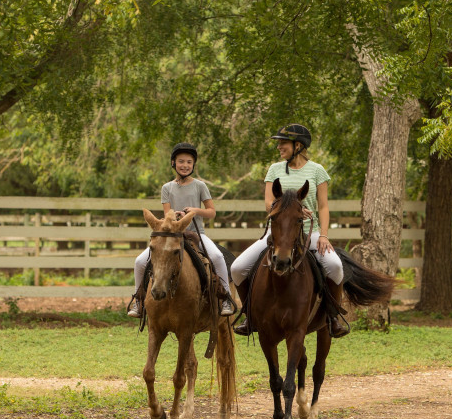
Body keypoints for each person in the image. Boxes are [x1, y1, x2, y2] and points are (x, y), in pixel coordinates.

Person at [230, 124, 348, 337]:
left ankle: (332, 317)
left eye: (283, 143)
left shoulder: (317, 170)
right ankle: (249, 315)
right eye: (279, 143)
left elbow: (323, 206)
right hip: (276, 233)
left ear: (298, 145)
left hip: (309, 233)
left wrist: (323, 235)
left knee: (335, 266)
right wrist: (292, 211)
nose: (279, 147)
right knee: (238, 268)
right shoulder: (274, 169)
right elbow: (268, 204)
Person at [128, 142, 236, 318]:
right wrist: (176, 216)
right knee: (140, 262)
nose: (185, 165)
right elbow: (167, 215)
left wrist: (195, 211)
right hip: (173, 235)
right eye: (181, 161)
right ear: (173, 163)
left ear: (193, 165)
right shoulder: (167, 188)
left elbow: (211, 212)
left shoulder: (200, 186)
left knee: (216, 256)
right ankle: (138, 301)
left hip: (197, 234)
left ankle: (226, 298)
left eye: (189, 162)